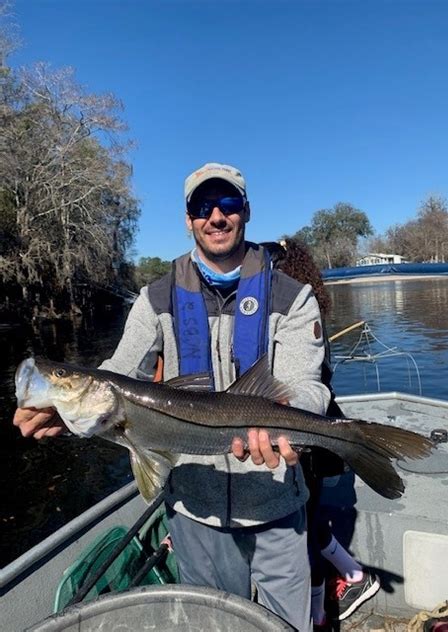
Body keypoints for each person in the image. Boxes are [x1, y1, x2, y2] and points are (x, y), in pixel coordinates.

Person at [13, 162, 331, 632]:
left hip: (276, 502)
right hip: (193, 511)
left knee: (288, 625)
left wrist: (293, 416)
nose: (216, 216)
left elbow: (307, 383)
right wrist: (61, 409)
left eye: (228, 204)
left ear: (245, 212)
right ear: (188, 218)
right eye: (203, 206)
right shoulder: (155, 298)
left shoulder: (293, 296)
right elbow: (118, 374)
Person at [263, 238, 380, 627]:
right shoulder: (292, 314)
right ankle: (352, 578)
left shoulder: (296, 309)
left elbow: (308, 384)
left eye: (267, 265)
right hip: (307, 435)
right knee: (312, 521)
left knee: (303, 529)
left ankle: (318, 613)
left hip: (306, 438)